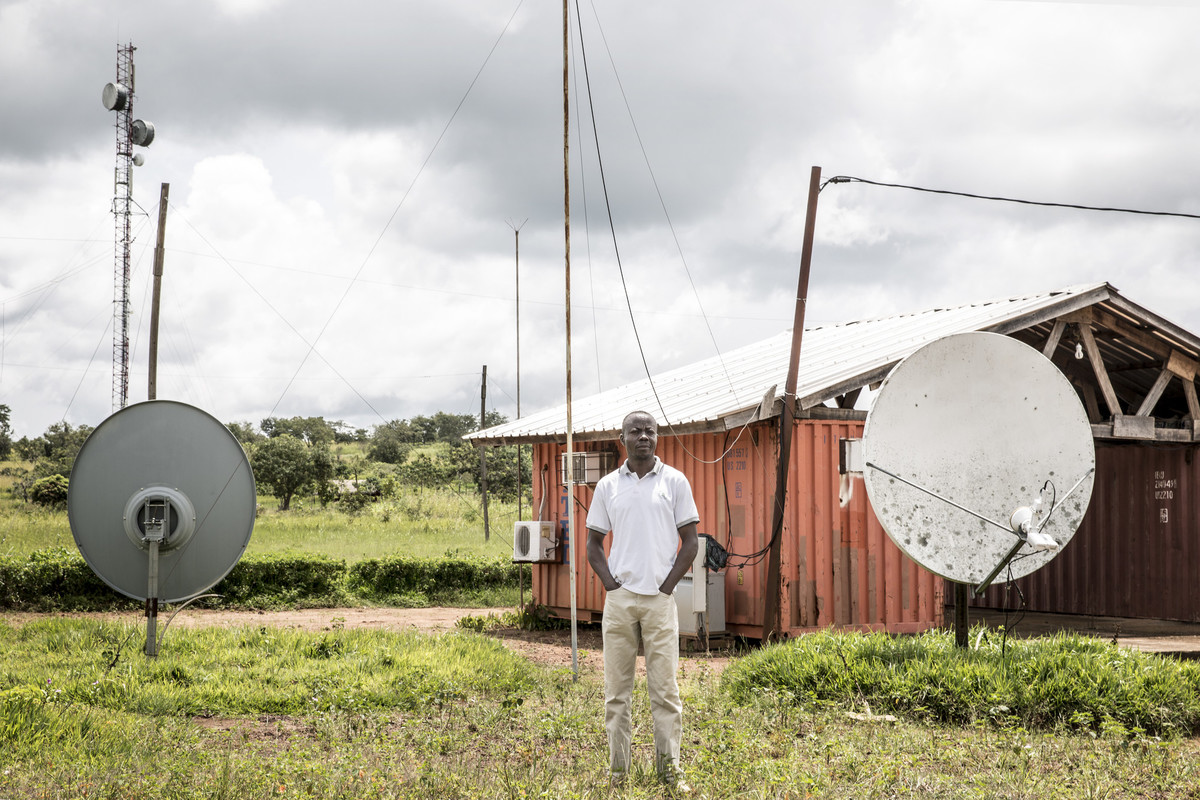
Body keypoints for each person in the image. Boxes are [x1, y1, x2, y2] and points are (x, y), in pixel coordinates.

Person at [585, 410, 699, 791]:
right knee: (617, 694)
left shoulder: (674, 481)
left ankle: (670, 773)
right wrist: (612, 587)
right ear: (623, 439)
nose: (644, 436)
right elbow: (594, 546)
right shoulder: (607, 486)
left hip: (659, 602)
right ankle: (618, 774)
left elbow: (691, 543)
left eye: (650, 431)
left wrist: (666, 588)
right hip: (620, 602)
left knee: (665, 693)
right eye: (636, 431)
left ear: (657, 438)